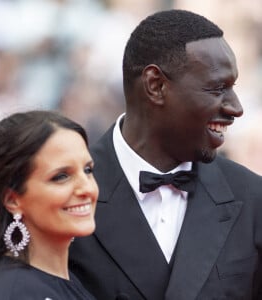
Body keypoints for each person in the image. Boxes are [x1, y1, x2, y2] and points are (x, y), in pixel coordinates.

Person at [69, 9, 262, 300]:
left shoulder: (252, 198)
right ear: (156, 86)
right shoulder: (66, 196)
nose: (236, 108)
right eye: (218, 88)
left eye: (233, 88)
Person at [0, 110, 98, 300]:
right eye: (61, 176)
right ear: (12, 200)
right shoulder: (17, 292)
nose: (87, 188)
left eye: (88, 170)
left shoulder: (63, 280)